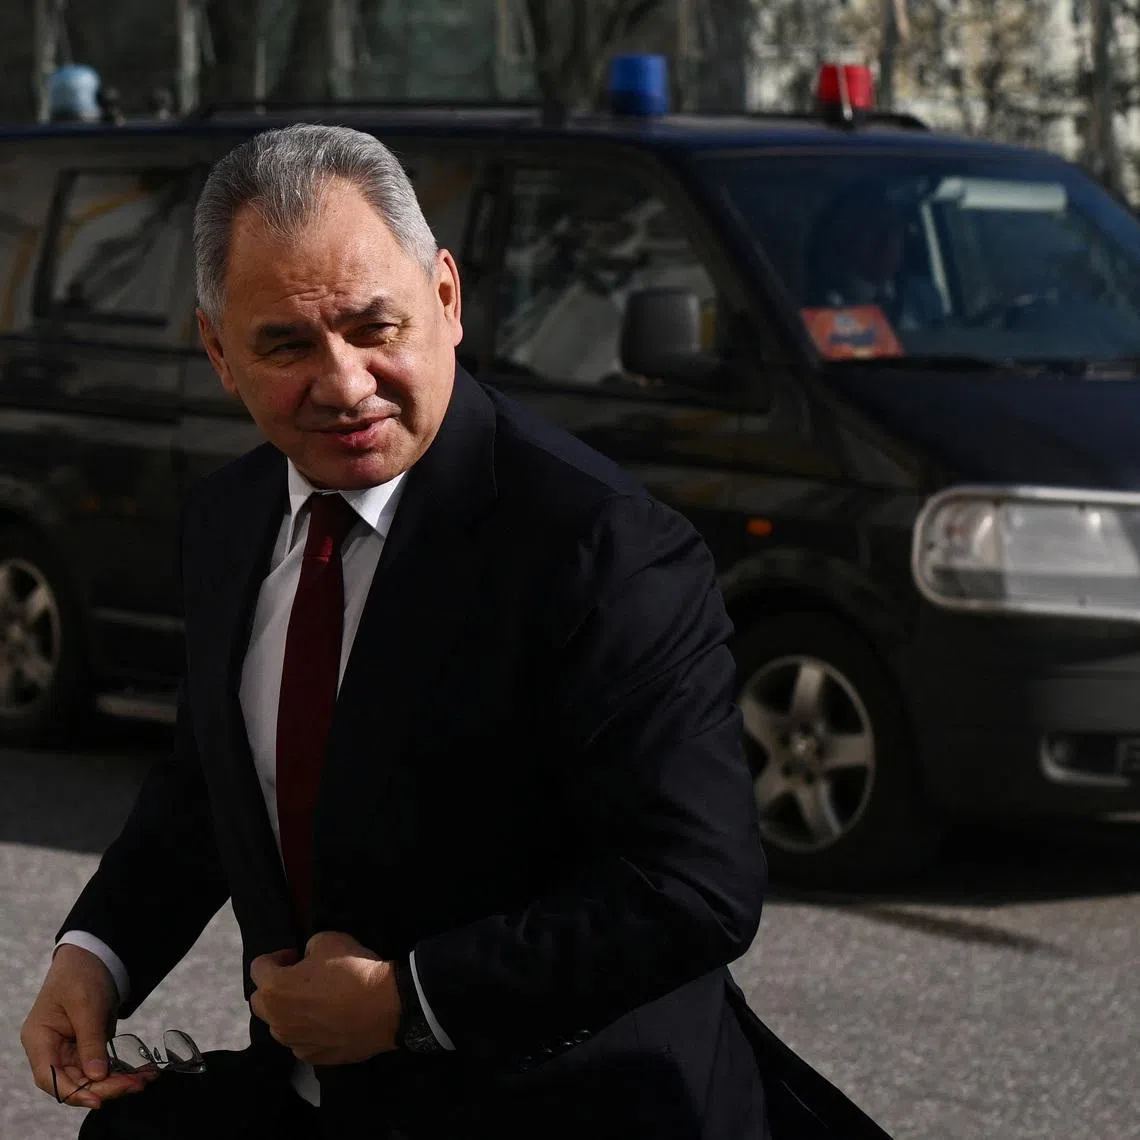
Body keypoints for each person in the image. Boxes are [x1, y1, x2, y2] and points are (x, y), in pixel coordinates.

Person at [21, 125, 889, 1140]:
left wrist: (408, 1000)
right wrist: (97, 955)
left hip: (575, 1110)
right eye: (287, 345)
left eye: (374, 326)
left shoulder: (599, 546)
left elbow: (691, 886)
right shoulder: (228, 519)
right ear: (218, 351)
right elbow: (211, 783)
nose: (344, 383)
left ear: (446, 298)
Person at [805, 185, 944, 331]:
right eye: (875, 229)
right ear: (846, 236)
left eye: (894, 227)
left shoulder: (924, 296)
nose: (887, 240)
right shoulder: (823, 301)